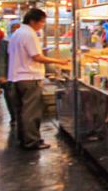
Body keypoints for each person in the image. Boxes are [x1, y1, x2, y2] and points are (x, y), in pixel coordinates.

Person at [7, 8, 67, 150]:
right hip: (29, 77)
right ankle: (32, 141)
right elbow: (37, 57)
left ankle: (23, 139)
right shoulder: (29, 34)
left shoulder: (16, 33)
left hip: (17, 78)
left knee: (22, 111)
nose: (42, 25)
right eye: (41, 22)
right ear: (33, 21)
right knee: (31, 112)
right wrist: (59, 61)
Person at [0, 23, 20, 126]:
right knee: (10, 96)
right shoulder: (5, 42)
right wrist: (1, 75)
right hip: (9, 73)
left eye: (18, 28)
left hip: (22, 74)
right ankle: (14, 117)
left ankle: (19, 117)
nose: (16, 30)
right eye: (14, 28)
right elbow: (2, 59)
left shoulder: (24, 40)